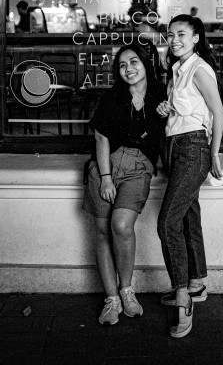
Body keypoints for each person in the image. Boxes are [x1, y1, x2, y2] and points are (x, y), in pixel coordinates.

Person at [83, 43, 167, 325]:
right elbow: (101, 138)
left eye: (134, 62)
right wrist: (105, 178)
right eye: (122, 65)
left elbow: (181, 122)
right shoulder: (112, 98)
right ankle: (112, 299)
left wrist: (170, 113)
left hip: (138, 168)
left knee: (120, 225)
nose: (129, 68)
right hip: (104, 168)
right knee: (103, 232)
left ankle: (127, 290)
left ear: (145, 64)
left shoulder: (161, 95)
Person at [156, 14, 223, 339]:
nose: (175, 40)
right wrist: (166, 108)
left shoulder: (199, 69)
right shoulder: (178, 71)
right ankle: (196, 283)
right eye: (171, 35)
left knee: (167, 223)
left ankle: (183, 299)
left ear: (196, 37)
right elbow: (187, 109)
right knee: (187, 217)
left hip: (194, 148)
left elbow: (219, 111)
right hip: (177, 147)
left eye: (182, 34)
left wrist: (213, 153)